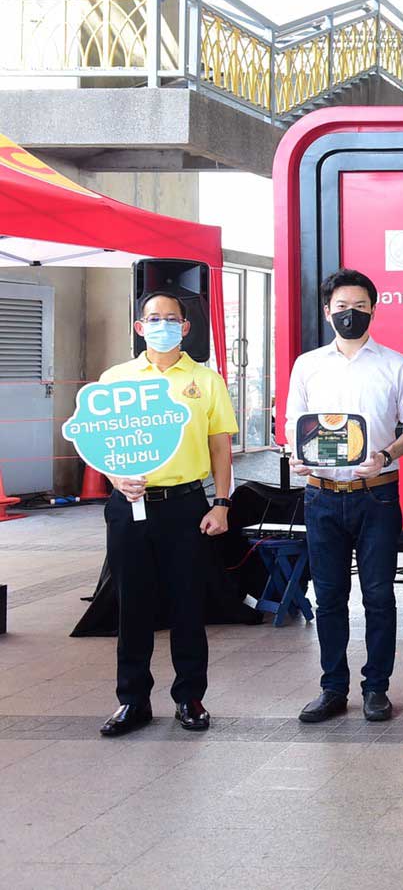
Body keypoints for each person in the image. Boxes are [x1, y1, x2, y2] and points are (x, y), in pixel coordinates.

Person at [286, 269, 403, 724]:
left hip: (377, 496)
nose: (351, 314)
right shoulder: (307, 365)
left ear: (373, 309)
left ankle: (376, 688)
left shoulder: (395, 364)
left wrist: (385, 454)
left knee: (380, 596)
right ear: (327, 312)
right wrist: (297, 457)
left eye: (360, 306)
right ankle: (332, 688)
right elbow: (294, 426)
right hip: (321, 495)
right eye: (342, 306)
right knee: (328, 596)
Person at [98, 292, 238, 737]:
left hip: (185, 505)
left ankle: (190, 697)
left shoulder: (205, 380)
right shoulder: (116, 378)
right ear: (139, 327)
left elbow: (220, 446)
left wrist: (221, 502)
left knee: (186, 603)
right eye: (153, 318)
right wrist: (115, 477)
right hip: (130, 505)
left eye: (171, 319)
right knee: (132, 605)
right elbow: (101, 440)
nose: (162, 325)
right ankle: (132, 700)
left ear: (185, 327)